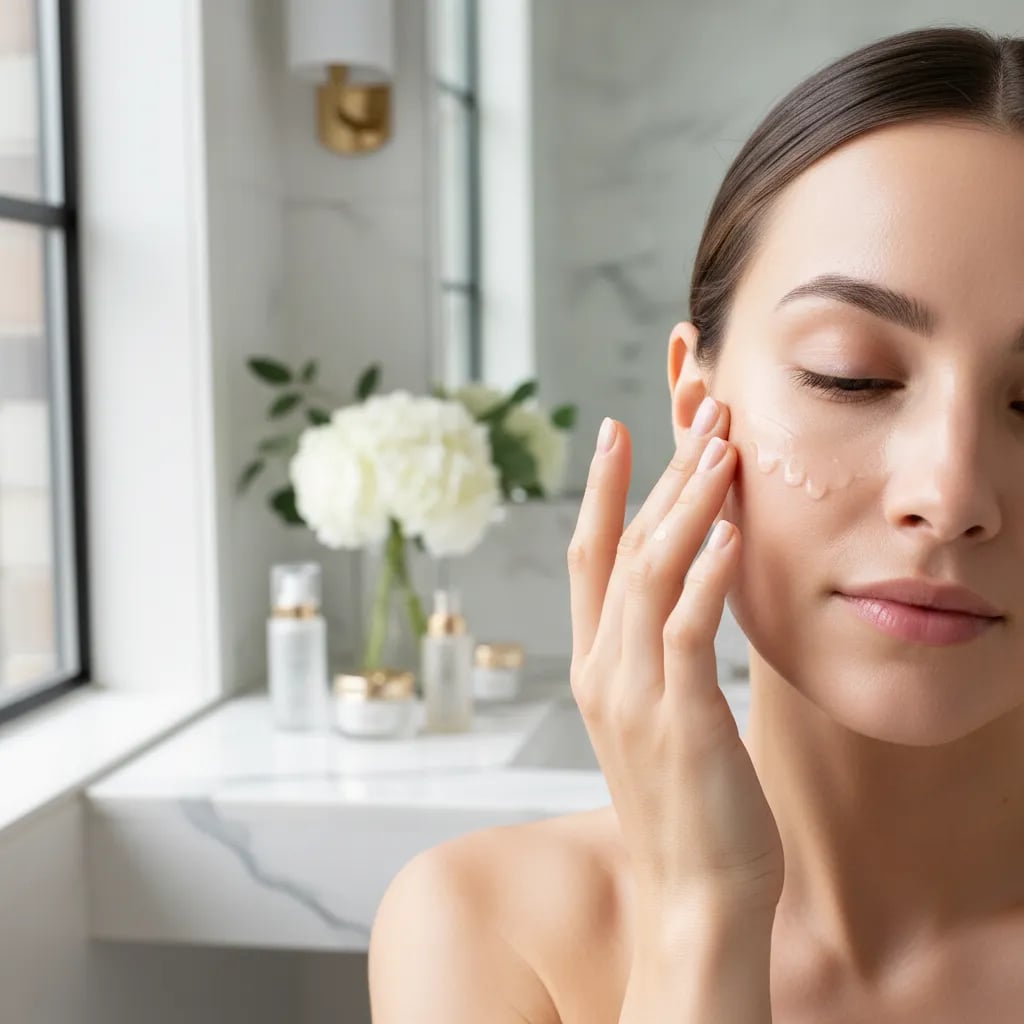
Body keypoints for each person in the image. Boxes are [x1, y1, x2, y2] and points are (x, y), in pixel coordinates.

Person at [368, 24, 1024, 1022]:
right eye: (849, 374)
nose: (948, 495)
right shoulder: (481, 928)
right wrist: (702, 914)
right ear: (695, 403)